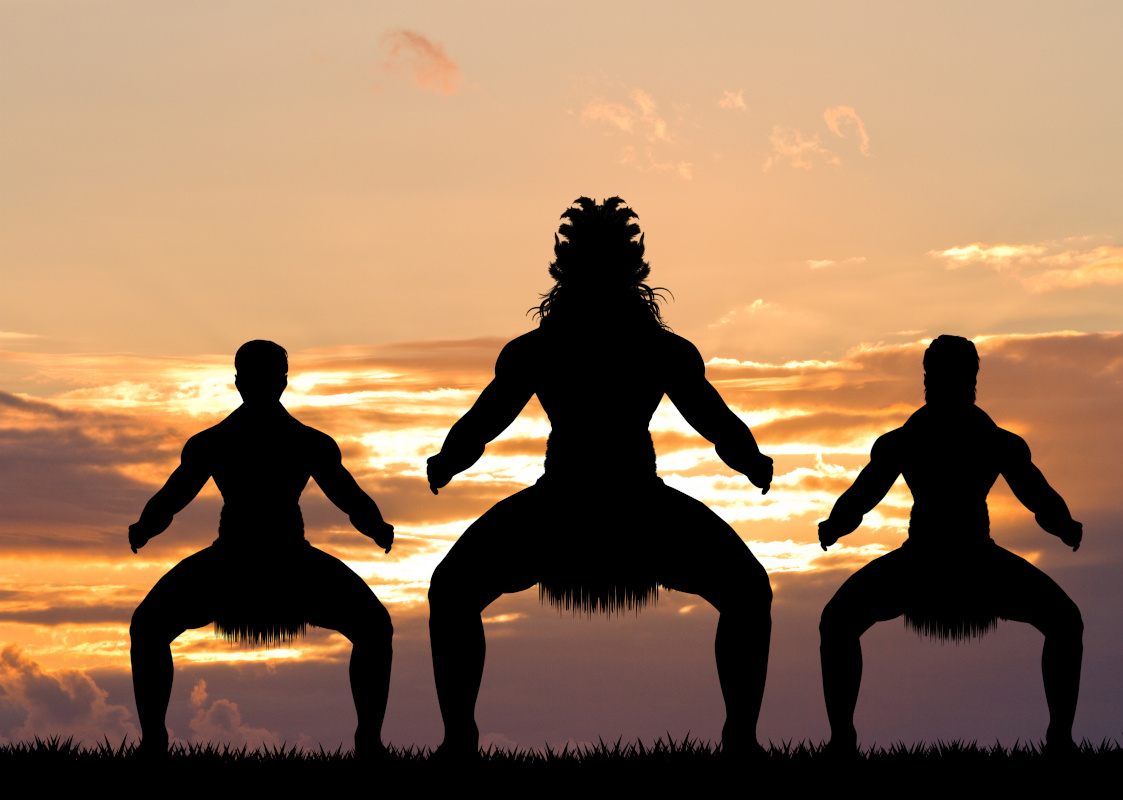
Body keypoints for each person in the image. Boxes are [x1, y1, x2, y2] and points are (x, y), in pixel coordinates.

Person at [426, 197, 774, 758]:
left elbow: (715, 420)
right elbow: (483, 421)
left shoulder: (610, 350)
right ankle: (459, 739)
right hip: (590, 501)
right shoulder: (603, 350)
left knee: (750, 590)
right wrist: (450, 459)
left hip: (612, 502)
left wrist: (749, 459)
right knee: (450, 590)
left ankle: (740, 739)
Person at [817, 334, 1084, 755]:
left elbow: (1039, 497)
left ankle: (1061, 740)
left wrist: (1064, 524)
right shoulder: (921, 439)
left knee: (1067, 622)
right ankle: (841, 741)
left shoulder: (984, 440)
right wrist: (835, 524)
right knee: (836, 621)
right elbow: (862, 496)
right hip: (933, 558)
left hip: (965, 558)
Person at [128, 340, 395, 756]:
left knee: (376, 627)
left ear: (241, 383)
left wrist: (376, 526)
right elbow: (171, 499)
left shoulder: (228, 441)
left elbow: (350, 498)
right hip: (255, 559)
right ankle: (153, 743)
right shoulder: (294, 442)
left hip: (265, 559)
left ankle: (370, 743)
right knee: (147, 626)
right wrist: (145, 526)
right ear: (281, 382)